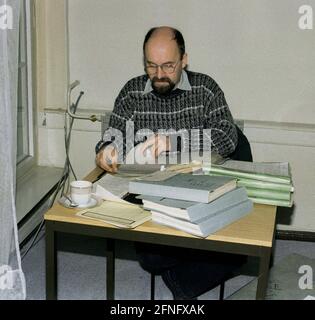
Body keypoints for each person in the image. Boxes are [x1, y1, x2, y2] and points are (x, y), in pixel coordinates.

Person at [95, 26, 250, 299]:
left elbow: (228, 137)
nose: (159, 75)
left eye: (168, 66)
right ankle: (210, 256)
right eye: (151, 66)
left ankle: (196, 267)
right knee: (152, 259)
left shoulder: (205, 89)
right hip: (155, 197)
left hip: (201, 190)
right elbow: (115, 134)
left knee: (241, 243)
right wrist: (106, 149)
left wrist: (174, 142)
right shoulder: (132, 92)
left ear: (184, 60)